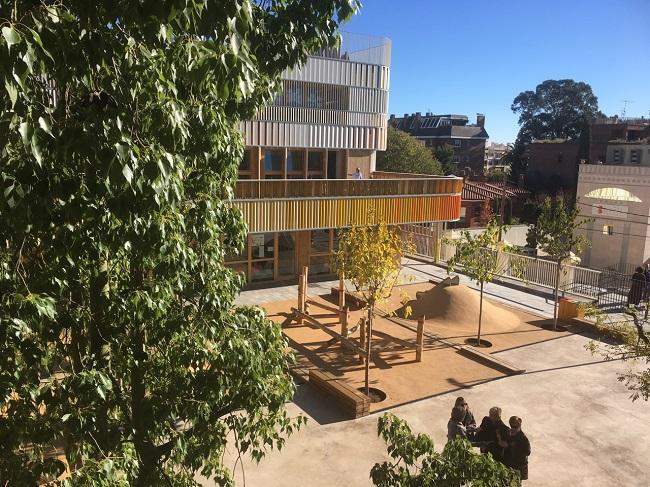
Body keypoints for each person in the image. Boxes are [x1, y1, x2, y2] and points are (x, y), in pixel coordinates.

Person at [500, 416, 531, 484]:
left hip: (518, 466)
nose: (513, 429)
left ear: (519, 426)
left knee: (516, 484)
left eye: (515, 427)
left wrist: (514, 446)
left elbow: (528, 452)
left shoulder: (523, 438)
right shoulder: (509, 434)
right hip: (508, 464)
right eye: (512, 426)